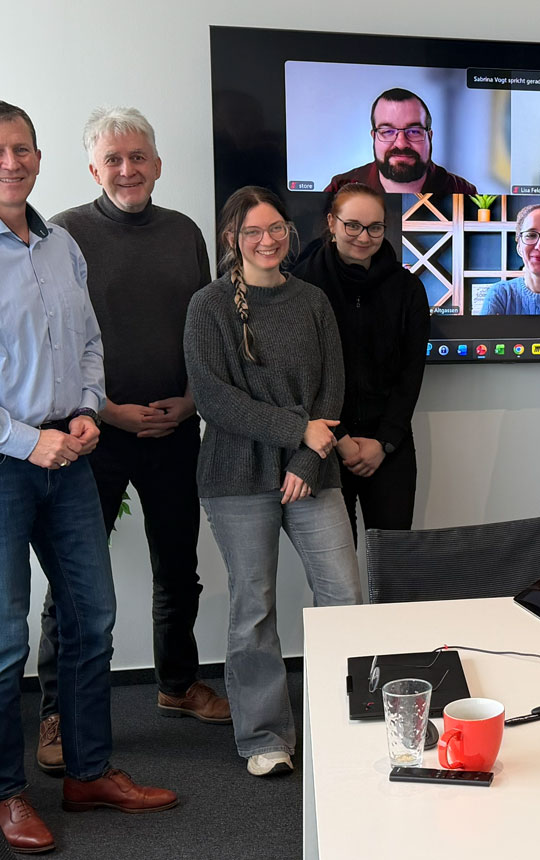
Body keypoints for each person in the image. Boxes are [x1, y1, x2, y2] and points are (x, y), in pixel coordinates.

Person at [0, 100, 177, 854]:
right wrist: (27, 442)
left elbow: (87, 342)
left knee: (92, 618)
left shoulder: (59, 246)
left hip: (67, 455)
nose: (10, 163)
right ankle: (2, 795)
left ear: (39, 157)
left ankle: (88, 774)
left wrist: (86, 409)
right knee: (0, 640)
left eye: (21, 149)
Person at [36, 107, 228, 778]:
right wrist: (108, 411)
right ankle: (56, 712)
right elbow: (51, 338)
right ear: (94, 169)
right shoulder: (62, 233)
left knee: (178, 567)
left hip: (175, 429)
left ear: (157, 163)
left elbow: (207, 328)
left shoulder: (184, 232)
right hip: (95, 434)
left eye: (138, 156)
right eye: (113, 159)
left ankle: (177, 684)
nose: (127, 170)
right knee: (72, 580)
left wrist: (193, 398)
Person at [183, 186, 364, 777]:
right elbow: (213, 398)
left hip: (313, 472)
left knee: (344, 596)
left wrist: (307, 459)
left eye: (276, 228)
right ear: (232, 238)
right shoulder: (208, 306)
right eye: (253, 231)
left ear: (290, 231)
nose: (267, 240)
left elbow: (332, 389)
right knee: (254, 607)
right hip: (237, 478)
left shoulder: (311, 300)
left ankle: (348, 721)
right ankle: (265, 737)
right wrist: (296, 431)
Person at [290, 183, 429, 537]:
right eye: (352, 225)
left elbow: (411, 373)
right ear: (331, 223)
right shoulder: (302, 285)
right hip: (323, 443)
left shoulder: (408, 288)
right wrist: (343, 440)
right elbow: (301, 374)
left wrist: (383, 442)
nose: (364, 237)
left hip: (388, 444)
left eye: (374, 227)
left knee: (394, 558)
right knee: (336, 566)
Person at [324, 88, 478, 196]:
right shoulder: (340, 188)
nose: (401, 143)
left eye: (414, 131)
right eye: (387, 131)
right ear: (374, 136)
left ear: (429, 137)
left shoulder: (461, 191)